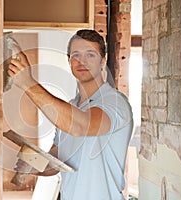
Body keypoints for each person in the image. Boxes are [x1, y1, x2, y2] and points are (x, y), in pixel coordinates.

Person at [8, 29, 133, 200]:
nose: (82, 61)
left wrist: (27, 83)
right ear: (69, 61)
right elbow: (58, 162)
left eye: (90, 55)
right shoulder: (71, 109)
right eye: (76, 55)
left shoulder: (115, 103)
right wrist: (34, 165)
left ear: (102, 61)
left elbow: (80, 126)